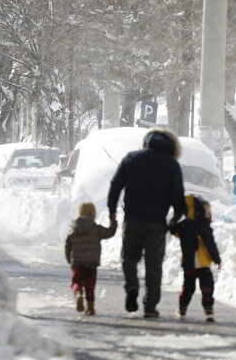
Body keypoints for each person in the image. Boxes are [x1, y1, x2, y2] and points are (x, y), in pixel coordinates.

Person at [107, 127, 185, 318]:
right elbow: (177, 195)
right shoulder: (172, 164)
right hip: (157, 223)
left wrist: (112, 212)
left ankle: (132, 284)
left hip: (132, 219)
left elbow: (115, 186)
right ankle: (150, 306)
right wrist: (176, 216)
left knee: (129, 257)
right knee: (154, 264)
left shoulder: (131, 158)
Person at [169, 195, 221, 322]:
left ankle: (182, 308)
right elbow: (210, 244)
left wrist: (174, 219)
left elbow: (173, 231)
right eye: (207, 212)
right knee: (207, 287)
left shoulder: (184, 225)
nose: (209, 215)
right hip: (203, 264)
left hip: (189, 263)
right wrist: (217, 259)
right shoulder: (204, 226)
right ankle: (208, 310)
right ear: (200, 211)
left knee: (188, 287)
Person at [65, 202, 117, 316]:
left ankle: (78, 294)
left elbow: (67, 245)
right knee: (90, 284)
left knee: (76, 282)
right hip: (91, 262)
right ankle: (90, 306)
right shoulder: (96, 229)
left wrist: (70, 259)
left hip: (77, 263)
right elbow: (110, 232)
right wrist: (113, 221)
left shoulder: (73, 229)